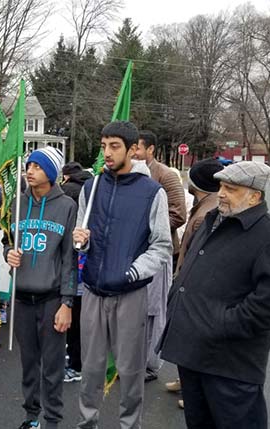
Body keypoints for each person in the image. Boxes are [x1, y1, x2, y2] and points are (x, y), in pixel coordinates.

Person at [159, 161, 270, 429]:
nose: (221, 193)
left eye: (231, 189)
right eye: (221, 186)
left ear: (255, 196)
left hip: (231, 366)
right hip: (193, 355)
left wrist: (218, 325)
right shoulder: (214, 221)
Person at [73, 121, 172, 429]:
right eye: (104, 146)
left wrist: (132, 272)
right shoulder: (92, 187)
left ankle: (130, 425)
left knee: (130, 370)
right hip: (92, 291)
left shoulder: (152, 192)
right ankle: (87, 422)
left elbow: (162, 246)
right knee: (90, 368)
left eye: (114, 146)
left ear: (133, 150)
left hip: (130, 294)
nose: (107, 153)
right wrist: (83, 241)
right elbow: (81, 239)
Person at [3, 148, 76, 429]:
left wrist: (67, 303)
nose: (30, 170)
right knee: (29, 364)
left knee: (53, 367)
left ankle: (53, 420)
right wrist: (9, 251)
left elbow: (70, 258)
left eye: (37, 166)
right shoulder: (16, 204)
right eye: (29, 165)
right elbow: (8, 240)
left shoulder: (67, 206)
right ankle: (31, 417)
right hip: (22, 299)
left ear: (52, 173)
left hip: (52, 299)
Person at [163, 157, 224, 408]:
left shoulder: (208, 212)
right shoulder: (203, 205)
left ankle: (193, 392)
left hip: (194, 286)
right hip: (187, 280)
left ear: (198, 183)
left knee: (193, 337)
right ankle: (184, 379)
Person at [132, 131, 185, 382]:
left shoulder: (165, 175)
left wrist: (148, 228)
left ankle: (151, 365)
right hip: (132, 255)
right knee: (134, 311)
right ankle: (132, 360)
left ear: (151, 149)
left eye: (138, 149)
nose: (134, 154)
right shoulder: (129, 173)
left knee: (154, 312)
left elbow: (178, 214)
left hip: (157, 253)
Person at [59, 161, 91, 384]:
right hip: (86, 266)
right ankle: (76, 359)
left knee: (75, 320)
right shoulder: (92, 189)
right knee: (80, 319)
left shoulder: (68, 194)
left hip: (76, 264)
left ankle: (76, 365)